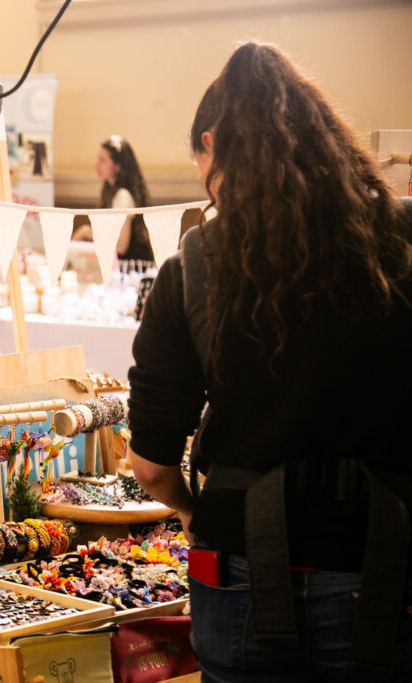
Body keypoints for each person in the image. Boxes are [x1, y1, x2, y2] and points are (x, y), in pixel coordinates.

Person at [127, 42, 412, 680]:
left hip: (238, 571)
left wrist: (193, 511)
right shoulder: (402, 238)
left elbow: (150, 464)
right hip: (383, 564)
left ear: (212, 144)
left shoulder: (195, 265)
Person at [72, 135, 154, 262]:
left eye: (102, 160)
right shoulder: (110, 193)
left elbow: (121, 247)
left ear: (118, 165)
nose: (97, 165)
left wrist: (86, 232)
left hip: (133, 266)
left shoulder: (123, 196)